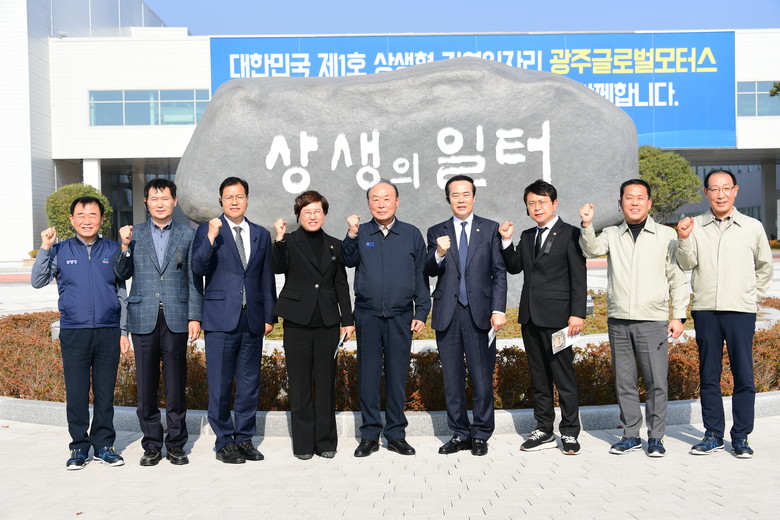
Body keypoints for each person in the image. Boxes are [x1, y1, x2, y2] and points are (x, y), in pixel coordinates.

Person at [579, 179, 689, 457]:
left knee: (656, 382)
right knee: (624, 382)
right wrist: (587, 225)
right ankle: (630, 435)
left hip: (652, 321)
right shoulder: (612, 233)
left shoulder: (665, 235)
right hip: (619, 320)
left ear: (649, 203)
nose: (635, 202)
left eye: (640, 197)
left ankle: (656, 437)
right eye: (629, 197)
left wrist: (678, 316)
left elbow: (677, 279)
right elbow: (590, 250)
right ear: (621, 203)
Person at [676, 169, 773, 458]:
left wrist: (751, 297)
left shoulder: (752, 227)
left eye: (726, 188)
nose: (721, 194)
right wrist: (683, 238)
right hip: (706, 310)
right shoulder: (696, 226)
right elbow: (686, 263)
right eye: (714, 189)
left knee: (744, 375)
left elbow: (764, 267)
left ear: (735, 190)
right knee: (709, 375)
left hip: (740, 311)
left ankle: (741, 436)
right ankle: (713, 434)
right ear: (706, 193)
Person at [32, 196, 128, 470]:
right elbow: (38, 281)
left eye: (93, 215)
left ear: (102, 219)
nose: (87, 220)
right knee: (76, 393)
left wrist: (123, 330)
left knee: (105, 392)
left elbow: (121, 293)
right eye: (81, 215)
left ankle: (104, 445)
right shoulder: (60, 250)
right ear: (72, 219)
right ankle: (78, 446)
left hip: (108, 330)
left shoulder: (113, 249)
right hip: (74, 331)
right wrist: (45, 247)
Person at [114, 178, 202, 466]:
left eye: (165, 198)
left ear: (175, 202)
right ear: (146, 202)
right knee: (146, 386)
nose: (160, 203)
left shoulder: (187, 235)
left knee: (176, 386)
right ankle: (151, 444)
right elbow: (122, 274)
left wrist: (194, 316)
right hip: (143, 317)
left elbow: (193, 278)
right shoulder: (134, 234)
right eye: (154, 198)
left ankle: (176, 444)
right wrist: (124, 246)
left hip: (176, 317)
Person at [342, 180, 431, 457]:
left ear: (397, 201)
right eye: (375, 199)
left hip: (400, 316)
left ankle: (395, 434)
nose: (381, 204)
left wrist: (421, 310)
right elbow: (347, 260)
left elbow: (420, 275)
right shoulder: (361, 232)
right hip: (367, 315)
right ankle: (369, 435)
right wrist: (351, 234)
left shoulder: (411, 234)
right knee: (368, 376)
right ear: (369, 203)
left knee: (397, 376)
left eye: (387, 198)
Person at [191, 176, 276, 464]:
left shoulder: (260, 234)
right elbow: (198, 267)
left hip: (252, 319)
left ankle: (245, 439)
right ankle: (224, 441)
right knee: (220, 383)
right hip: (220, 318)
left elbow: (265, 277)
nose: (234, 201)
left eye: (239, 196)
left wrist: (269, 316)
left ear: (247, 199)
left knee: (250, 383)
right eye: (229, 197)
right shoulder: (208, 230)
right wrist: (211, 237)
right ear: (221, 201)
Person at [499, 180, 586, 455]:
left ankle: (570, 432)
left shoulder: (571, 234)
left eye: (542, 202)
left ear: (554, 203)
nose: (537, 207)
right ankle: (544, 429)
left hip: (560, 320)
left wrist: (577, 314)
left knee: (564, 377)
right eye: (531, 203)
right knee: (539, 378)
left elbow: (578, 277)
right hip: (530, 318)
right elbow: (514, 267)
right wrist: (506, 240)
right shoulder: (527, 236)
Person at [424, 175, 507, 456]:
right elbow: (429, 270)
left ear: (474, 196)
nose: (460, 199)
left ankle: (481, 433)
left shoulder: (490, 229)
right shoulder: (436, 231)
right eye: (455, 195)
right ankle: (459, 433)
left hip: (480, 314)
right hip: (448, 314)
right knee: (452, 380)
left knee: (482, 378)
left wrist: (498, 309)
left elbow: (498, 272)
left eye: (465, 194)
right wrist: (439, 252)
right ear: (447, 199)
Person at [271, 191, 355, 460]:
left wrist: (347, 320)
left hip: (327, 321)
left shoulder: (334, 245)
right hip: (297, 321)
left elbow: (341, 284)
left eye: (317, 211)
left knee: (325, 383)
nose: (312, 216)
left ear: (325, 215)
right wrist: (279, 239)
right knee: (300, 384)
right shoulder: (288, 241)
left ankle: (326, 441)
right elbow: (277, 267)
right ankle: (304, 444)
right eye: (307, 212)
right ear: (299, 215)